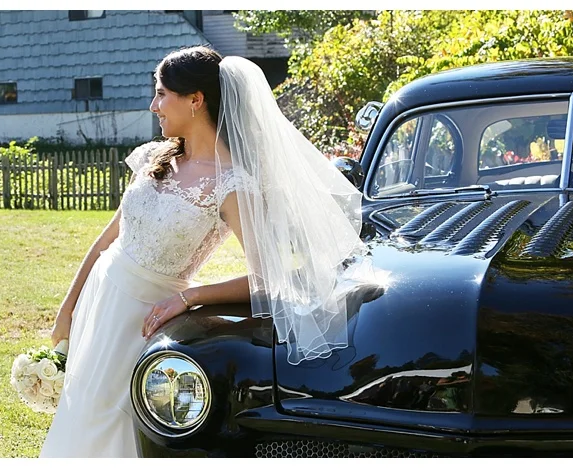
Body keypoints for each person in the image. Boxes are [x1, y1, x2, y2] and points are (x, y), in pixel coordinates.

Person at [40, 46, 368, 457]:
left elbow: (269, 278)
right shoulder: (154, 157)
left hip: (142, 319)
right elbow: (109, 237)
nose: (153, 105)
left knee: (114, 427)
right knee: (80, 413)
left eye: (162, 94)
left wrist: (190, 296)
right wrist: (67, 309)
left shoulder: (233, 185)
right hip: (98, 301)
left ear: (196, 100)